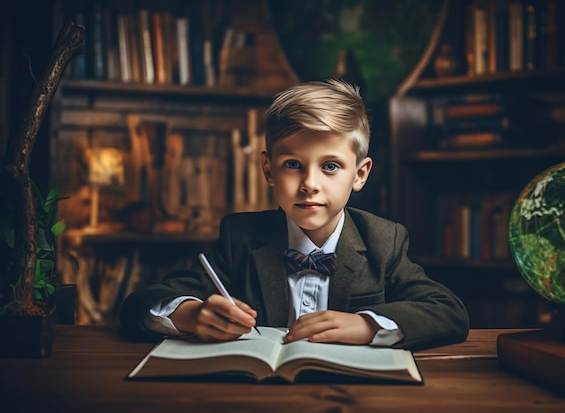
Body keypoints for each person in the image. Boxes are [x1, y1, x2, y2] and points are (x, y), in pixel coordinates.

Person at [119, 80, 469, 350]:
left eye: (330, 166)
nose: (309, 184)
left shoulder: (383, 240)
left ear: (359, 175)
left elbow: (448, 311)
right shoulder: (239, 236)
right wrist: (191, 315)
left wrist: (366, 325)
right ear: (268, 171)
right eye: (292, 165)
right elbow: (140, 304)